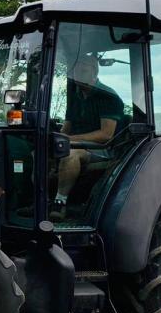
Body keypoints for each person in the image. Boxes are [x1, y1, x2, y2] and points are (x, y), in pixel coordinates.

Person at [53, 54, 124, 218]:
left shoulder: (108, 97)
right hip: (76, 144)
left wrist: (70, 140)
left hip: (101, 150)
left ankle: (59, 203)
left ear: (94, 70)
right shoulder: (75, 96)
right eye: (76, 69)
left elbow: (106, 135)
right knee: (38, 151)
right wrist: (55, 139)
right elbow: (67, 127)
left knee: (70, 154)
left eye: (83, 68)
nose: (77, 73)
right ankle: (36, 202)